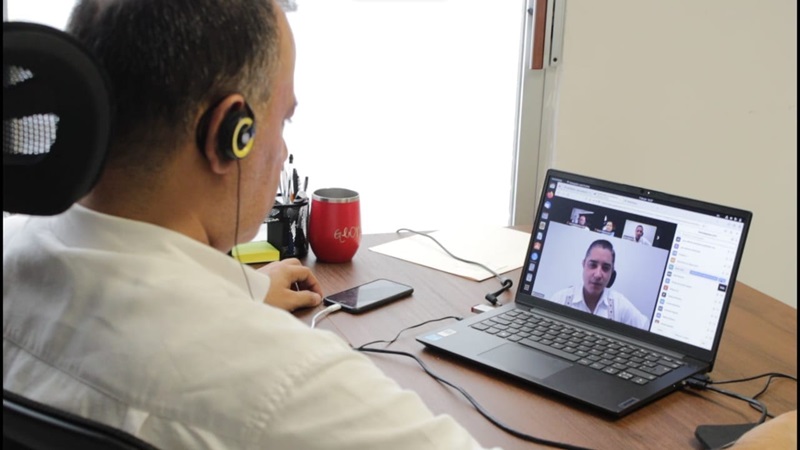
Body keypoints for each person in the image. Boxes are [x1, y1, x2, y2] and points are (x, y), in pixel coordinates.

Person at [2, 1, 496, 449]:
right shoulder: (290, 384)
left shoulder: (11, 257)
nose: (283, 150)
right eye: (283, 121)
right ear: (228, 134)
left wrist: (241, 291)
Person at [551, 240, 649, 329]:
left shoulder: (619, 304)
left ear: (611, 272)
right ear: (584, 264)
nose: (598, 275)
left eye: (605, 268)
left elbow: (646, 326)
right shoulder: (560, 299)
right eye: (593, 265)